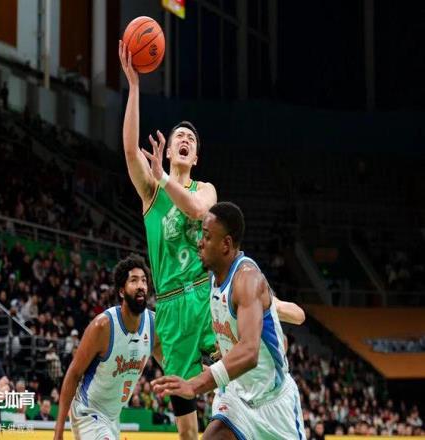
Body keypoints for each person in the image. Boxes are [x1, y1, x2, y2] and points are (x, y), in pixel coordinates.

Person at [119, 39, 218, 440]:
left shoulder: (205, 189)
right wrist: (134, 87)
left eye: (190, 139)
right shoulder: (151, 193)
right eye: (179, 136)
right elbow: (130, 150)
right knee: (188, 431)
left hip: (207, 297)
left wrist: (163, 175)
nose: (184, 139)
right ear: (170, 149)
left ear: (195, 157)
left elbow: (195, 210)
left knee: (237, 394)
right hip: (172, 308)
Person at [153, 202, 307, 439]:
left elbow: (249, 352)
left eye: (206, 236)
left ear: (226, 244)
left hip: (273, 405)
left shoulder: (247, 280)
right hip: (236, 397)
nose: (199, 242)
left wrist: (195, 384)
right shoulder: (211, 278)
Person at [54, 254, 160, 440]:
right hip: (88, 412)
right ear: (121, 291)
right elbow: (73, 374)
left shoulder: (153, 325)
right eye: (134, 280)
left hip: (112, 418)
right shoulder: (103, 326)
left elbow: (171, 363)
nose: (141, 285)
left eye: (144, 280)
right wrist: (59, 431)